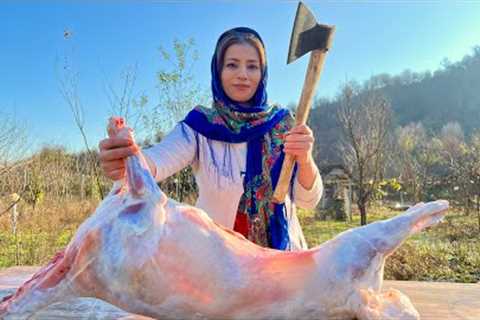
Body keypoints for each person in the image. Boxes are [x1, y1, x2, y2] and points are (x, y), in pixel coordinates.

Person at [98, 27, 323, 251]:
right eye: (232, 64)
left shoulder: (283, 125)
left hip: (283, 264)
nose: (243, 74)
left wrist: (304, 159)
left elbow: (308, 201)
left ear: (262, 73)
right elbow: (158, 161)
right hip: (222, 266)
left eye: (252, 66)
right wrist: (128, 160)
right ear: (218, 70)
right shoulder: (200, 127)